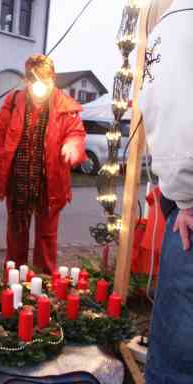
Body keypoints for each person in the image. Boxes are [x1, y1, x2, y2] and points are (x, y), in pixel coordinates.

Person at [0, 54, 86, 274]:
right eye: (36, 82)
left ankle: (45, 276)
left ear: (52, 80)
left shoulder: (65, 106)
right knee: (16, 231)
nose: (41, 88)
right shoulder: (14, 101)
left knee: (47, 235)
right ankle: (15, 276)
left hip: (50, 184)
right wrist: (0, 156)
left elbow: (76, 133)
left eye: (47, 82)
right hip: (18, 180)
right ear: (26, 82)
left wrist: (73, 145)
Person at [139, 3, 193, 382]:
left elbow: (174, 113)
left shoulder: (179, 19)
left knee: (177, 367)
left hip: (191, 217)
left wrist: (186, 196)